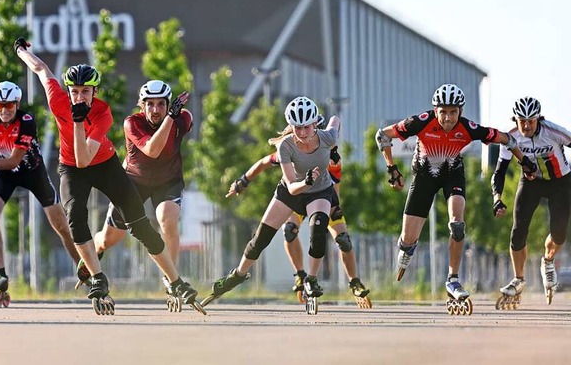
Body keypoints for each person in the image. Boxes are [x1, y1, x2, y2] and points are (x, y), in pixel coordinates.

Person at [13, 37, 202, 312]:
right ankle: (98, 279)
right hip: (71, 168)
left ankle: (174, 281)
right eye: (75, 91)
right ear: (68, 91)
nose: (79, 97)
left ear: (95, 92)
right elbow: (41, 69)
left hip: (104, 164)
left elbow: (87, 157)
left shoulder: (103, 114)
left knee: (140, 225)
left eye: (86, 92)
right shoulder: (57, 100)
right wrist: (21, 51)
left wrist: (79, 122)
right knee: (75, 217)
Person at [375, 84, 536, 311]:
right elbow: (382, 135)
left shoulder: (468, 127)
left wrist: (524, 161)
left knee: (457, 225)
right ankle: (406, 249)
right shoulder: (420, 121)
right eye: (443, 112)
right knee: (408, 239)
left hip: (453, 175)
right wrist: (392, 168)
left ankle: (452, 278)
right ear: (435, 110)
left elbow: (506, 138)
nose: (448, 118)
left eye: (453, 112)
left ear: (460, 111)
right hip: (424, 177)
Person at [0, 81, 80, 304]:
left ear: (17, 104)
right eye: (0, 105)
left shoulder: (26, 122)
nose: (5, 110)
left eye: (9, 105)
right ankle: (1, 273)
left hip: (32, 173)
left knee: (61, 227)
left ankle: (85, 269)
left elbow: (13, 161)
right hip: (6, 175)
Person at [204, 96, 340, 306]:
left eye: (307, 127)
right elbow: (290, 184)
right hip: (292, 190)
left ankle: (311, 279)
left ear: (315, 124)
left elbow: (335, 121)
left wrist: (334, 140)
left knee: (318, 230)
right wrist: (243, 182)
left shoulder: (327, 138)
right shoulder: (286, 145)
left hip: (320, 192)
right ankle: (238, 275)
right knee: (261, 239)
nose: (302, 133)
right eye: (297, 128)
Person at [227, 120, 370, 304]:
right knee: (289, 231)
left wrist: (332, 211)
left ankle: (354, 281)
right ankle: (301, 273)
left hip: (324, 199)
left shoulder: (331, 156)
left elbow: (335, 188)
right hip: (297, 196)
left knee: (343, 239)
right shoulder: (289, 148)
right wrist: (243, 181)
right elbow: (263, 162)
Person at [75, 80, 192, 296]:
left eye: (161, 105)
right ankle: (94, 253)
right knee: (109, 239)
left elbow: (177, 128)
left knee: (167, 217)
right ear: (141, 105)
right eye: (150, 104)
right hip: (134, 182)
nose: (155, 110)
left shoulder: (183, 119)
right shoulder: (132, 123)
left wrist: (172, 119)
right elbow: (152, 150)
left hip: (168, 181)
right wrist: (169, 119)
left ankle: (171, 279)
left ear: (169, 105)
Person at [492, 96, 571, 306]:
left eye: (531, 121)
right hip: (531, 182)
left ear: (539, 119)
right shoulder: (510, 137)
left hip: (560, 182)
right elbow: (499, 172)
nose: (526, 126)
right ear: (515, 119)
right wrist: (497, 198)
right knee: (518, 231)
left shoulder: (554, 132)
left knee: (559, 234)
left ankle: (548, 260)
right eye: (522, 121)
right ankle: (518, 279)